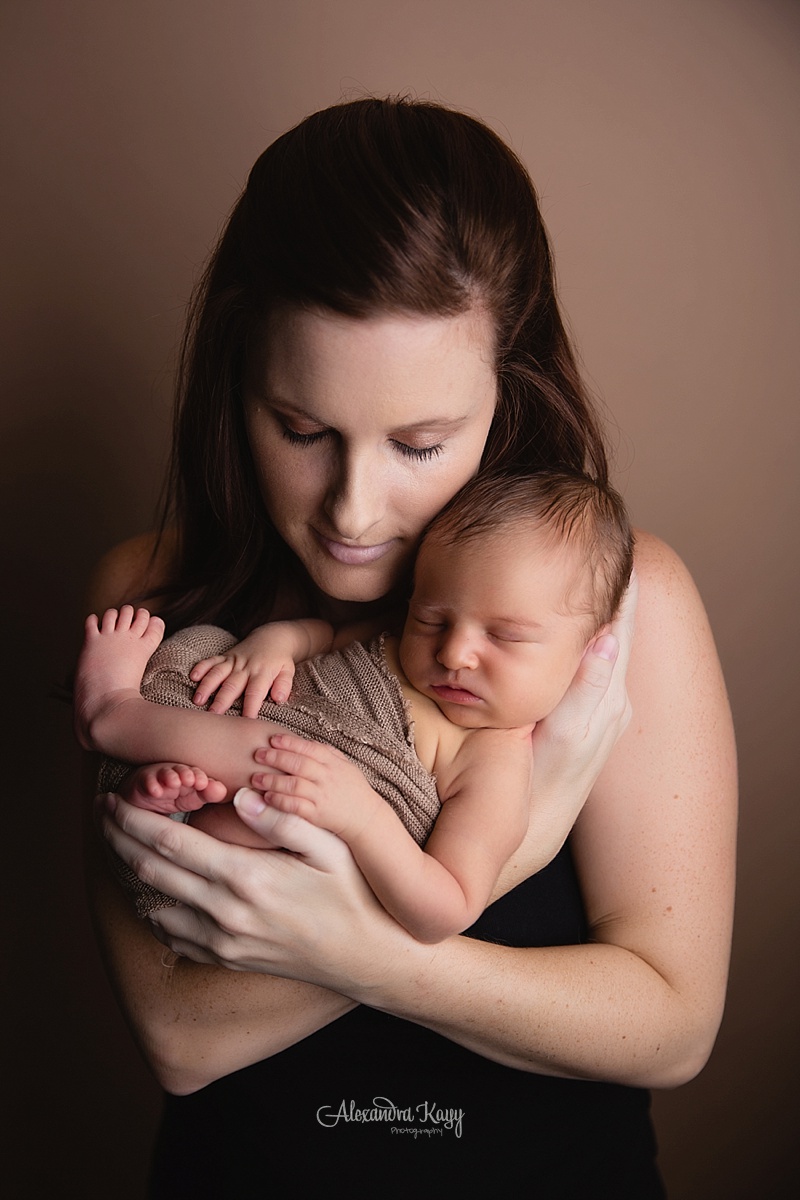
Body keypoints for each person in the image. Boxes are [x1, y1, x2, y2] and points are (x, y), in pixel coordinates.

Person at [84, 96, 736, 1197]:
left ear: (506, 395)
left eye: (419, 443)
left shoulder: (623, 609)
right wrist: (523, 835)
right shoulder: (147, 597)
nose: (351, 507)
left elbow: (668, 1028)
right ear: (236, 384)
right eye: (301, 431)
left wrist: (365, 948)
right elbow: (184, 1041)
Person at [77, 470, 634, 944]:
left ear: (588, 652)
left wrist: (362, 816)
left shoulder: (495, 762)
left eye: (505, 637)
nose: (453, 651)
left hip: (260, 849)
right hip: (217, 778)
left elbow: (446, 906)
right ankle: (158, 803)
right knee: (215, 658)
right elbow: (326, 636)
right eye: (432, 619)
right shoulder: (399, 635)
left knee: (278, 757)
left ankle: (113, 714)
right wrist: (279, 644)